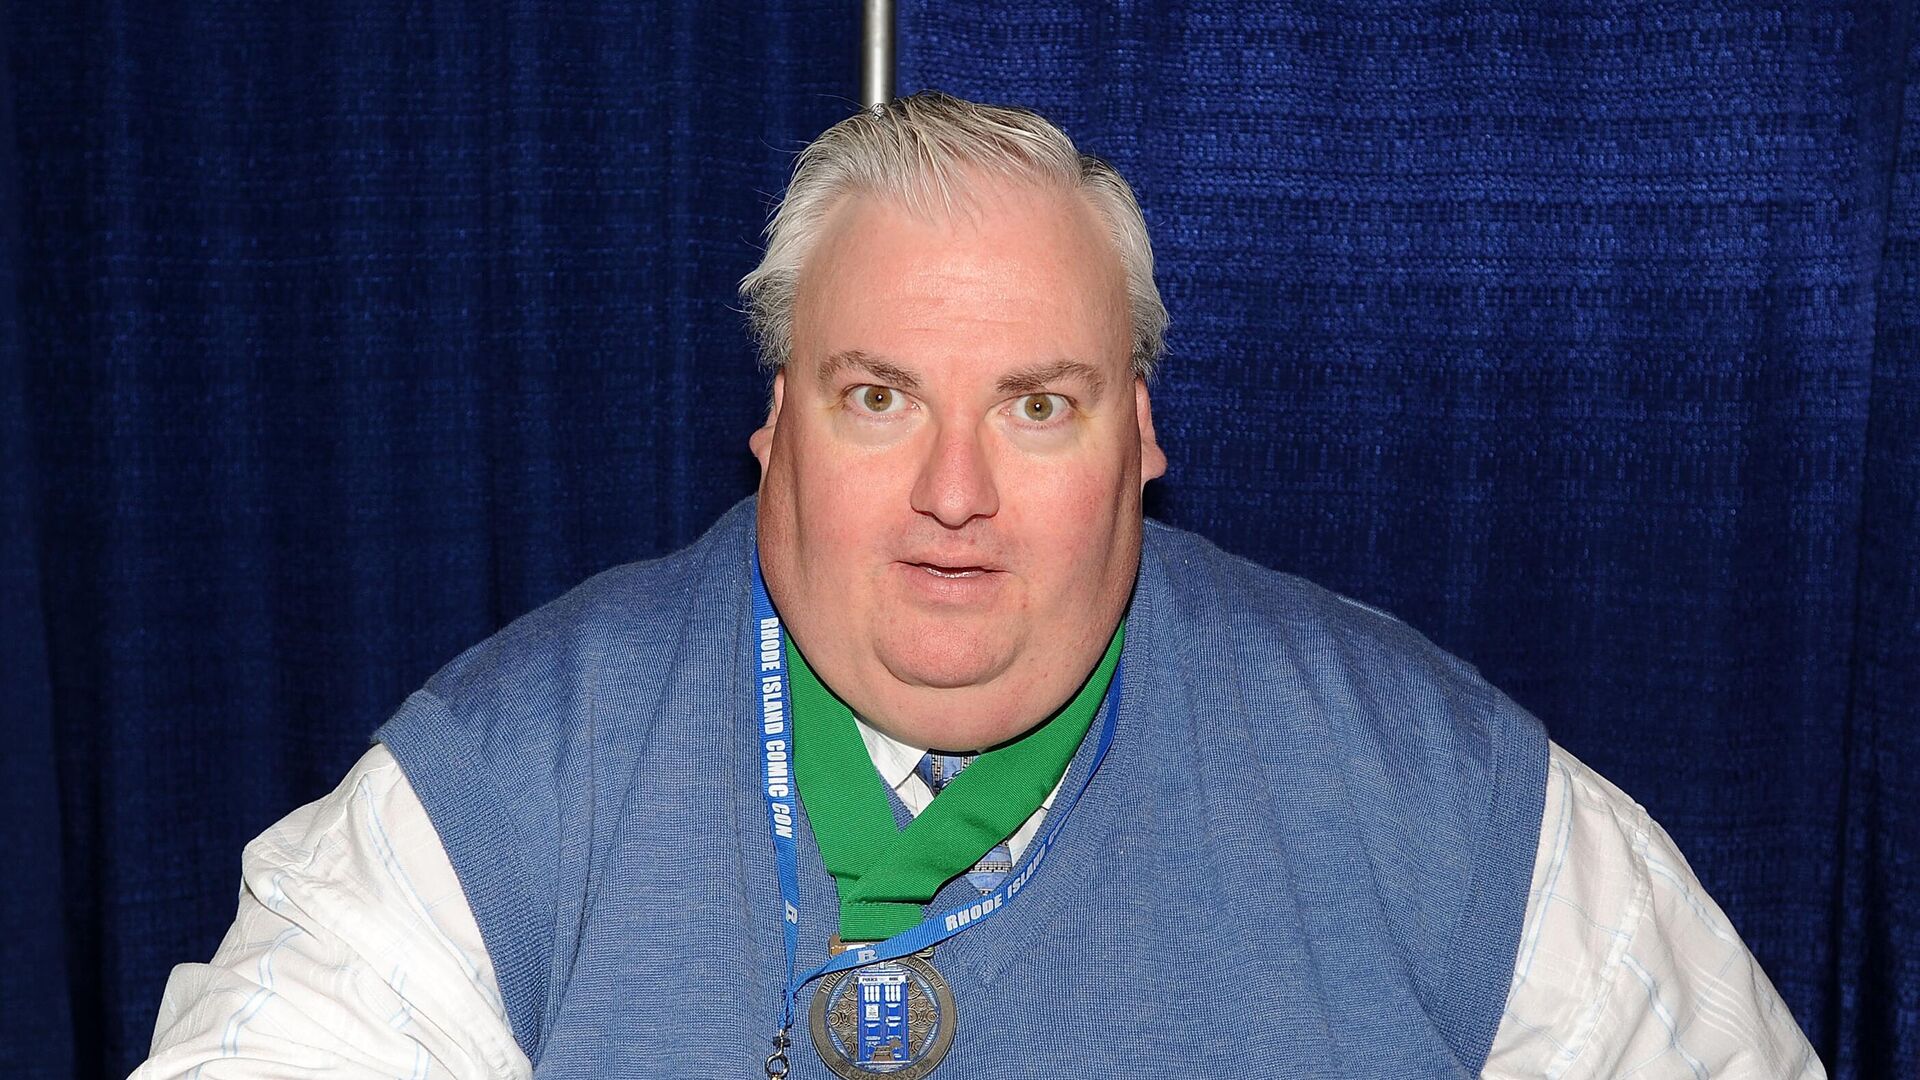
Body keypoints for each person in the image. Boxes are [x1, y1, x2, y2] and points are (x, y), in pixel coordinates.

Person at [133, 92, 1820, 1079]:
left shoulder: (1438, 797)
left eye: (1037, 406)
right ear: (772, 427)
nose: (955, 494)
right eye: (879, 398)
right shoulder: (499, 788)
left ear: (1140, 439)